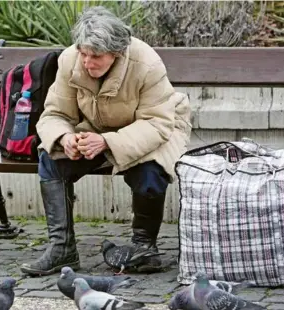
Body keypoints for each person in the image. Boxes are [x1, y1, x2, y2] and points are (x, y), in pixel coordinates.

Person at [19, 6, 192, 276]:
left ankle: (144, 246)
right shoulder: (69, 60)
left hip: (154, 129)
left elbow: (157, 123)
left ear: (117, 52)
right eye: (84, 54)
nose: (87, 63)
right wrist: (65, 137)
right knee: (49, 157)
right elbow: (54, 114)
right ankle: (62, 249)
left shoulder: (147, 63)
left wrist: (107, 142)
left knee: (152, 168)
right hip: (94, 128)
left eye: (96, 56)